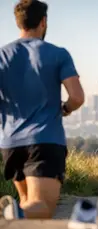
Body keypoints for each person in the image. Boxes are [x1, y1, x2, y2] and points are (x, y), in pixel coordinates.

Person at [0, 0, 84, 219]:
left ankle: (9, 213)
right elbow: (76, 97)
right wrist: (65, 108)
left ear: (18, 23)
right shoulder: (57, 54)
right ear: (43, 22)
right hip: (45, 141)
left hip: (10, 143)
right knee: (42, 208)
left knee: (27, 209)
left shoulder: (2, 56)